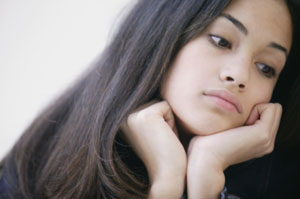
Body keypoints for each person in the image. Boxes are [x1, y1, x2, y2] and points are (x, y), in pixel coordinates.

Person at [0, 0, 299, 198]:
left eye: (266, 68)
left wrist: (206, 178)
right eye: (221, 41)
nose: (240, 75)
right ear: (163, 34)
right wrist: (168, 179)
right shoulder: (36, 169)